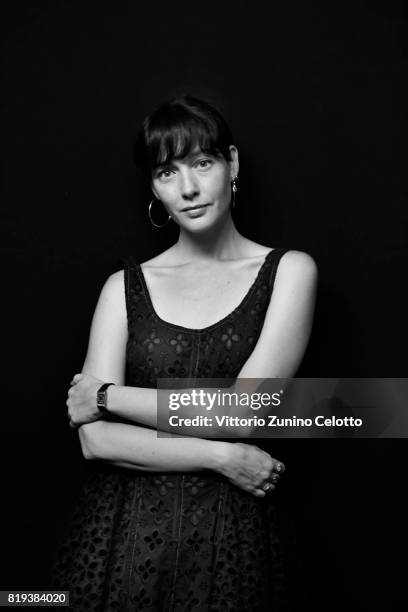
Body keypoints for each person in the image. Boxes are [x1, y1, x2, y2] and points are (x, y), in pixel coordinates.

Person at [53, 95, 317, 611]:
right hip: (117, 542)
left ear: (232, 164)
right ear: (153, 187)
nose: (189, 188)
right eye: (167, 172)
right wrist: (221, 456)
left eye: (202, 163)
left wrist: (107, 396)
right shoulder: (123, 287)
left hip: (233, 544)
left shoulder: (289, 271)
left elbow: (244, 412)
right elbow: (96, 443)